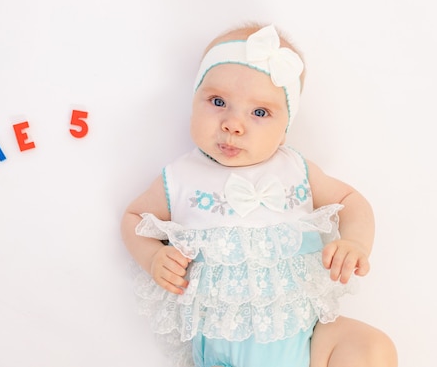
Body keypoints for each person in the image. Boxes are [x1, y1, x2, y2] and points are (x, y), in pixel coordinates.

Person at [121, 23, 397, 367]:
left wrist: (355, 242)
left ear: (285, 129)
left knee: (372, 348)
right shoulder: (180, 178)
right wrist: (152, 258)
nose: (233, 124)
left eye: (259, 112)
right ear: (193, 101)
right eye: (218, 102)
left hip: (309, 340)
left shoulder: (296, 169)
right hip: (226, 353)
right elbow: (133, 218)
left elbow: (352, 202)